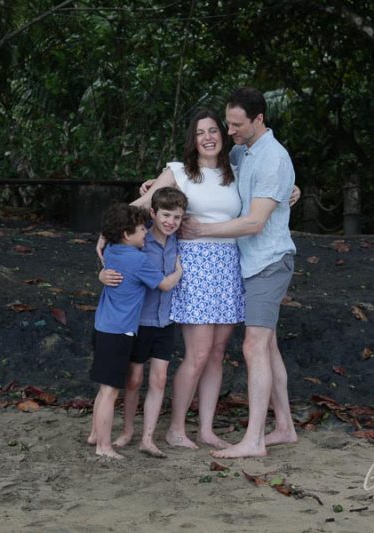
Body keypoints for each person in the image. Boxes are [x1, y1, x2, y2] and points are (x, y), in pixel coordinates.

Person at [100, 108, 247, 450]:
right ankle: (176, 428)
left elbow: (270, 190)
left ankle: (206, 429)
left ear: (223, 135)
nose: (208, 137)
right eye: (200, 132)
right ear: (192, 140)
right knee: (196, 353)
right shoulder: (179, 171)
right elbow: (144, 205)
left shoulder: (237, 171)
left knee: (217, 352)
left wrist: (293, 190)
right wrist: (108, 233)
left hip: (227, 266)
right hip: (193, 266)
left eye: (213, 130)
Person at [180, 87, 298, 459]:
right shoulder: (242, 151)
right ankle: (284, 428)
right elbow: (205, 170)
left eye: (236, 124)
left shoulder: (273, 159)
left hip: (268, 262)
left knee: (253, 346)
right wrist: (153, 187)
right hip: (248, 264)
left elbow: (255, 222)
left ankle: (254, 440)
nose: (228, 131)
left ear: (258, 120)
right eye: (227, 123)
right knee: (269, 347)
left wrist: (202, 230)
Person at [87, 203, 183, 459]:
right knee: (110, 391)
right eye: (142, 229)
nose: (146, 233)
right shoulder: (138, 259)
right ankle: (104, 447)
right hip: (120, 331)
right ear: (128, 235)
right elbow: (163, 284)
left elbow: (109, 240)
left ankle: (95, 434)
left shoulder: (110, 250)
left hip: (103, 326)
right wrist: (179, 272)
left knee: (103, 387)